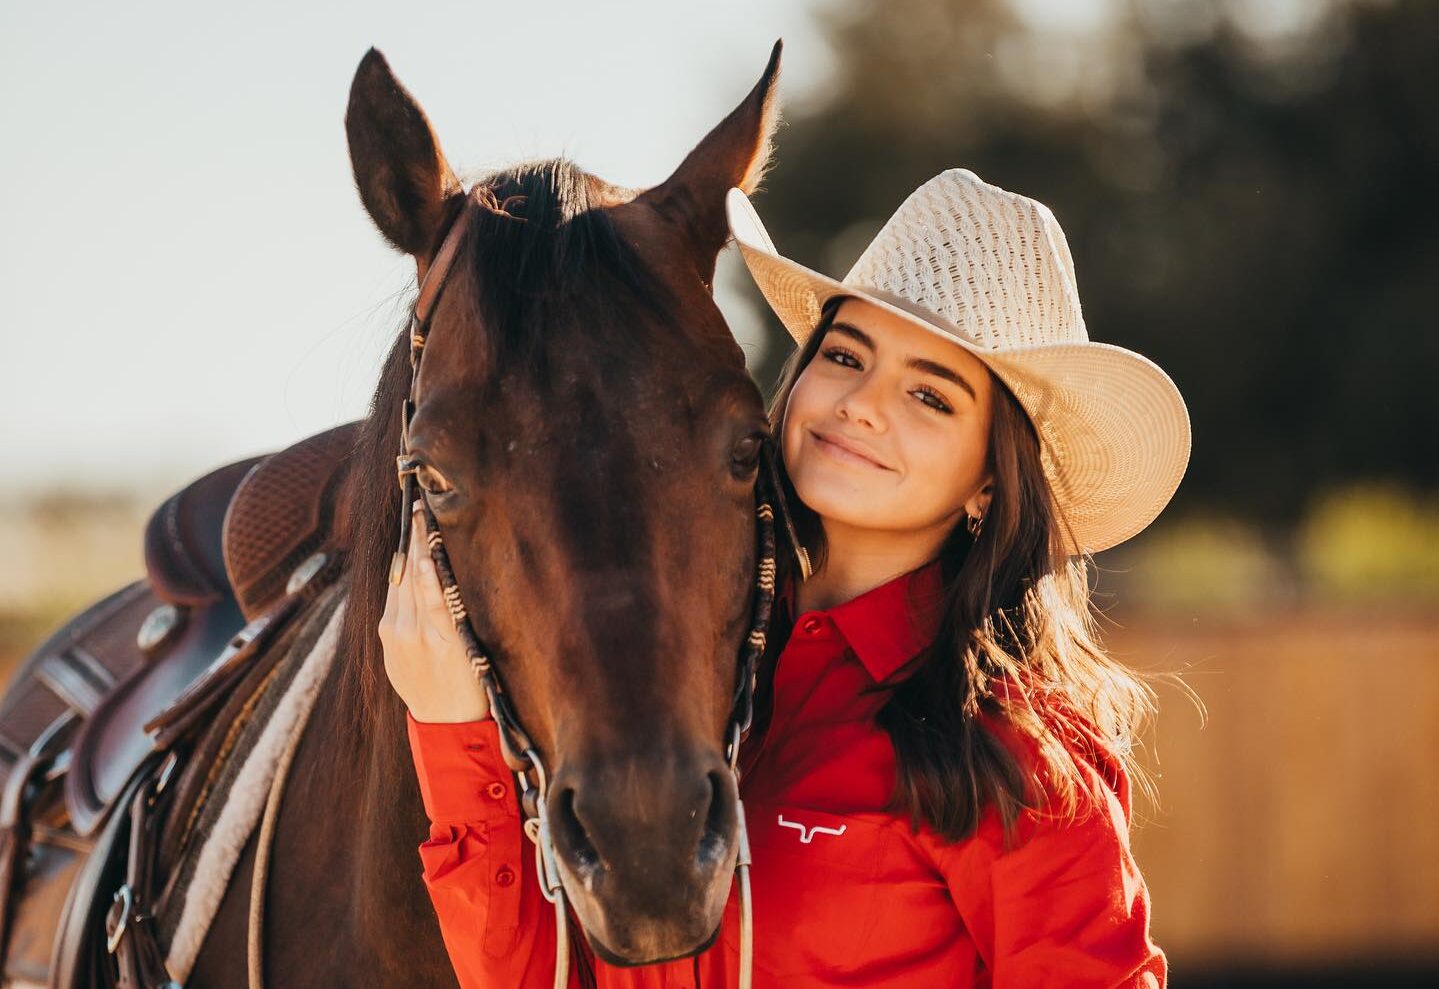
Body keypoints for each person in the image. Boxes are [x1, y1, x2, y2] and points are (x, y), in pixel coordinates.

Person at [381, 168, 1190, 987]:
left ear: (989, 478)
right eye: (844, 355)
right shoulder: (679, 671)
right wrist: (450, 727)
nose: (863, 404)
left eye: (929, 396)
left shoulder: (1011, 754)